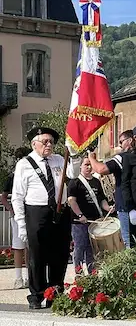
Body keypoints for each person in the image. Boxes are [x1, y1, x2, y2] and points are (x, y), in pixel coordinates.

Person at [11, 127, 82, 309]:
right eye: (45, 141)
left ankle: (55, 293)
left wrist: (73, 155)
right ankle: (36, 294)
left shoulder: (59, 160)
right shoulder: (24, 164)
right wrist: (21, 224)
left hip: (60, 211)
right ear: (34, 144)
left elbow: (74, 174)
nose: (49, 145)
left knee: (59, 254)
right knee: (37, 256)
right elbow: (18, 196)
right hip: (36, 213)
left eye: (51, 141)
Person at [67, 157, 114, 275]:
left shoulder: (96, 181)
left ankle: (92, 274)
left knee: (92, 249)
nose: (88, 167)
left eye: (90, 165)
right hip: (79, 222)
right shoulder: (74, 182)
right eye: (86, 165)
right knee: (80, 248)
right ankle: (79, 273)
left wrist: (108, 208)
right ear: (80, 166)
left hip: (95, 220)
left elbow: (101, 199)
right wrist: (80, 214)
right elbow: (72, 201)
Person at [89, 129, 133, 248]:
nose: (119, 145)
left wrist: (92, 158)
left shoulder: (122, 157)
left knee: (128, 240)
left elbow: (101, 169)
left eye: (121, 141)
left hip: (126, 205)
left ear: (130, 141)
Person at [1, 146, 32, 289]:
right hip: (18, 216)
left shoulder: (32, 173)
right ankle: (18, 277)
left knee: (29, 247)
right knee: (18, 246)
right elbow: (4, 197)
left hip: (32, 214)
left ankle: (28, 276)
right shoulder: (13, 176)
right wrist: (12, 210)